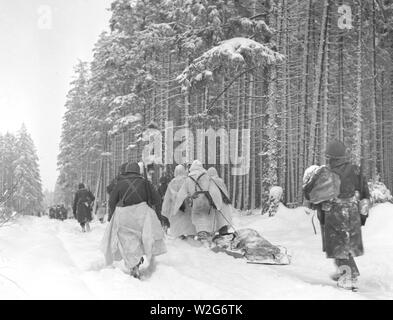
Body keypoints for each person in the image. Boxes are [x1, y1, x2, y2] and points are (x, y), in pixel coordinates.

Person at [303, 140, 370, 291]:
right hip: (352, 211)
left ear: (331, 156)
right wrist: (363, 213)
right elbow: (364, 192)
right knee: (345, 245)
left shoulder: (327, 172)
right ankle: (345, 272)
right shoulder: (355, 170)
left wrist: (314, 205)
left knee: (339, 246)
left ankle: (348, 276)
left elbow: (318, 195)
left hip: (335, 212)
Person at [101, 162, 167, 279]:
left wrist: (113, 214)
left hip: (124, 215)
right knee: (142, 238)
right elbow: (157, 199)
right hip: (142, 214)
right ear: (138, 171)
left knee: (128, 240)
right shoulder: (146, 183)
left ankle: (134, 264)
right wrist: (156, 214)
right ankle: (138, 260)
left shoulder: (119, 183)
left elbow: (112, 201)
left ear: (126, 170)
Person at [174, 160, 223, 241]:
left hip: (196, 201)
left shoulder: (188, 179)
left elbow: (180, 194)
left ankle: (202, 235)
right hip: (207, 201)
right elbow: (215, 191)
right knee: (207, 217)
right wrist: (218, 205)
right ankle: (207, 236)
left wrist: (176, 207)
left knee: (198, 218)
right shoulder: (207, 177)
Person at [161, 165, 196, 238]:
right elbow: (193, 194)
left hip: (176, 209)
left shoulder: (172, 183)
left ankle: (180, 239)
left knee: (178, 226)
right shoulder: (188, 181)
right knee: (189, 225)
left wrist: (165, 210)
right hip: (187, 207)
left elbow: (167, 198)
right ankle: (191, 239)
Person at [207, 167, 233, 234]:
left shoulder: (208, 182)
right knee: (223, 222)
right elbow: (225, 192)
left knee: (214, 223)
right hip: (224, 204)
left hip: (213, 205)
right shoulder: (220, 181)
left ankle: (212, 238)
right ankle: (223, 234)